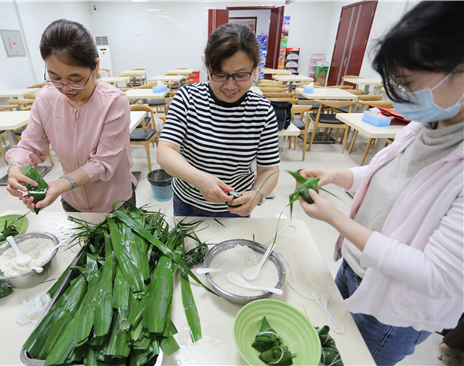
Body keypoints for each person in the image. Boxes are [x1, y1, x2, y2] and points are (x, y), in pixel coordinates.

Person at [296, 2, 464, 365]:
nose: (401, 95)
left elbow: (438, 275)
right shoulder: (429, 125)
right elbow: (391, 185)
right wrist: (341, 176)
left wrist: (337, 220)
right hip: (355, 269)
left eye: (410, 83)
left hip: (392, 309)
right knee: (325, 346)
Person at [6, 19, 136, 213]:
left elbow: (102, 163)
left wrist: (61, 184)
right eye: (55, 78)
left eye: (76, 80)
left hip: (114, 201)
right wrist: (15, 168)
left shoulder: (114, 102)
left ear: (96, 67)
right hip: (72, 199)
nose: (65, 88)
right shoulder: (46, 99)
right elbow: (29, 145)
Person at [157, 23, 280, 217]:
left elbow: (269, 170)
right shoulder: (187, 98)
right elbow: (165, 152)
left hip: (235, 207)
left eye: (241, 75)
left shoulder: (262, 110)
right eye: (220, 75)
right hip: (188, 202)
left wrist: (256, 194)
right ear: (208, 69)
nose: (230, 85)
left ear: (255, 70)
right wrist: (199, 179)